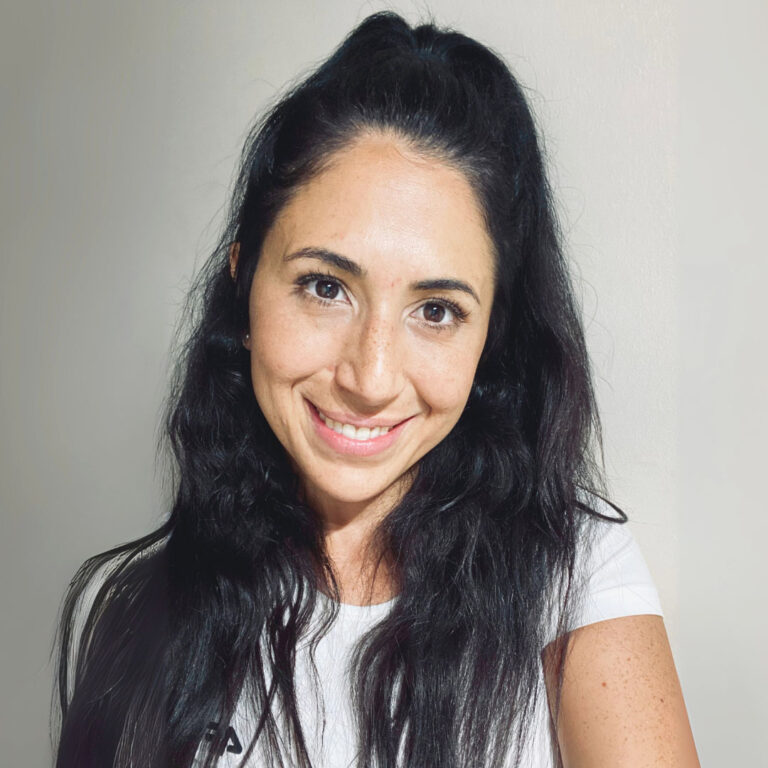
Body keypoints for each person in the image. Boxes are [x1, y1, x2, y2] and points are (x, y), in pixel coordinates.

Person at [52, 11, 699, 768]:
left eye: (436, 311)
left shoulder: (577, 581)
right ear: (244, 281)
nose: (371, 378)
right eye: (325, 287)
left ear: (491, 336)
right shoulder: (129, 613)